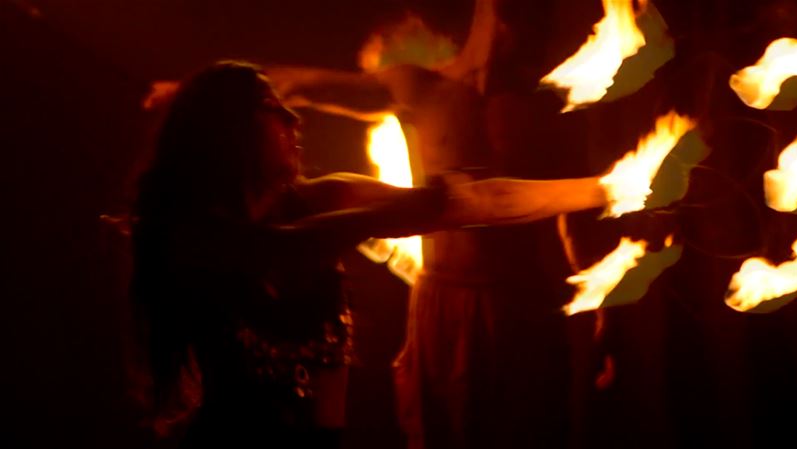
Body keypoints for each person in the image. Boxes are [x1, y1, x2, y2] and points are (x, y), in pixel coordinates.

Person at [130, 60, 611, 449]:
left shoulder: (322, 199)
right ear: (227, 132)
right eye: (271, 108)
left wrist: (609, 187)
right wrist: (407, 213)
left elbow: (482, 202)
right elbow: (285, 250)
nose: (293, 118)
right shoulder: (192, 234)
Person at [265, 2, 603, 447]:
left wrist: (604, 318)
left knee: (530, 430)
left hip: (522, 304)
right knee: (441, 430)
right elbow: (304, 87)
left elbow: (575, 217)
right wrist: (203, 96)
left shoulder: (548, 106)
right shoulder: (422, 86)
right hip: (443, 300)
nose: (539, 30)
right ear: (492, 11)